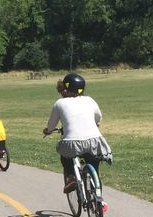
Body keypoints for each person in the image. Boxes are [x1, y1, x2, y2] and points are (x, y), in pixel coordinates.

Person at [43, 72, 112, 208]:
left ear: (66, 88)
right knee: (94, 168)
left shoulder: (60, 103)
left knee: (65, 156)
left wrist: (48, 131)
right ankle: (98, 198)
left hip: (72, 143)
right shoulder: (90, 100)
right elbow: (98, 117)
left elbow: (52, 124)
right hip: (95, 141)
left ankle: (71, 177)